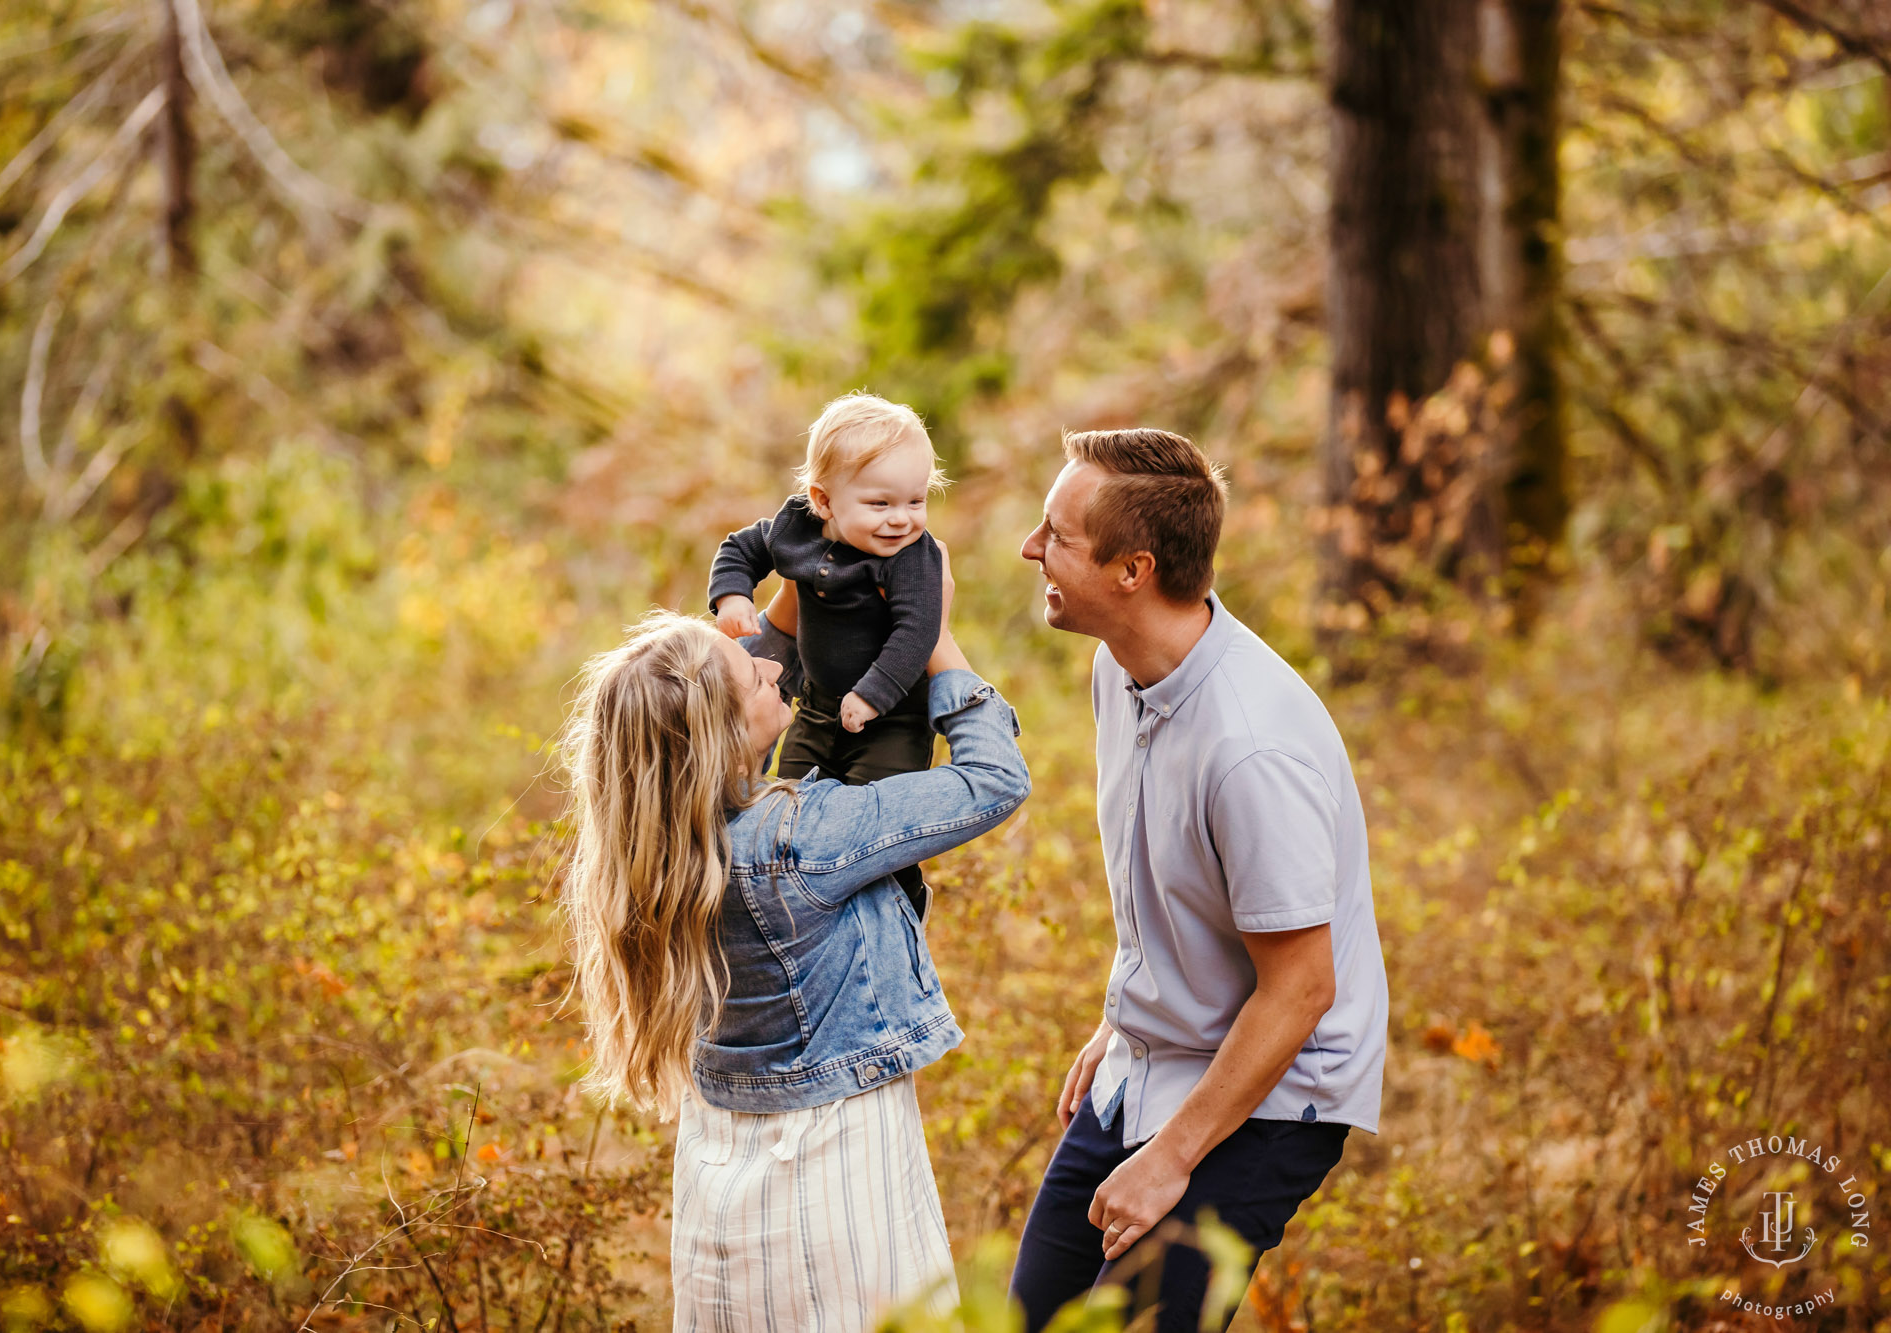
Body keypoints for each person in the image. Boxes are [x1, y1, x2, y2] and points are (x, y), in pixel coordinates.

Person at [559, 550, 1028, 1333]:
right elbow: (995, 779)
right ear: (720, 733)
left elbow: (737, 680)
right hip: (835, 1166)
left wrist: (819, 559)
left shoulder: (667, 842)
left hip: (722, 1170)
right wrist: (935, 638)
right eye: (752, 678)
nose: (772, 673)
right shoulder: (801, 837)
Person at [1008, 428, 1389, 1332]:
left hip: (1274, 1088)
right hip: (1153, 1055)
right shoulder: (1121, 668)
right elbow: (1168, 881)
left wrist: (1171, 1155)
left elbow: (1301, 988)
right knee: (1031, 1316)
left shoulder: (1251, 747)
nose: (1031, 549)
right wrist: (1128, 1014)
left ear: (1132, 569)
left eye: (1056, 535)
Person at [709, 391, 948, 916]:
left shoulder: (912, 557)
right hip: (817, 707)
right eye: (880, 504)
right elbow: (741, 548)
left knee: (875, 814)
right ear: (823, 501)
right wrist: (733, 595)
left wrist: (874, 694)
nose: (901, 520)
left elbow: (917, 631)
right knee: (789, 800)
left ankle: (902, 903)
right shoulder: (797, 526)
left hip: (893, 714)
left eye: (916, 501)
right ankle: (804, 906)